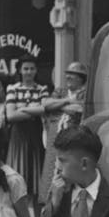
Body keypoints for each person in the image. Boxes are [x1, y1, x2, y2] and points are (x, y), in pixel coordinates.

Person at [5, 56, 51, 217]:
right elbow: (10, 115)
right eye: (25, 68)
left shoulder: (42, 89)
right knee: (18, 184)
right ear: (20, 70)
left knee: (36, 187)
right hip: (19, 140)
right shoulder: (12, 89)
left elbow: (45, 109)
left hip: (35, 139)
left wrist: (22, 109)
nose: (29, 72)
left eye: (32, 68)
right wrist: (32, 109)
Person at [40, 61, 88, 201]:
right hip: (54, 143)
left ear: (80, 78)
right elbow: (46, 104)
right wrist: (67, 101)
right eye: (67, 75)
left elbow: (79, 109)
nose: (67, 78)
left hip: (71, 143)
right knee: (50, 178)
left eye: (72, 75)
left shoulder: (84, 93)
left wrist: (57, 106)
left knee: (68, 178)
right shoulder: (60, 92)